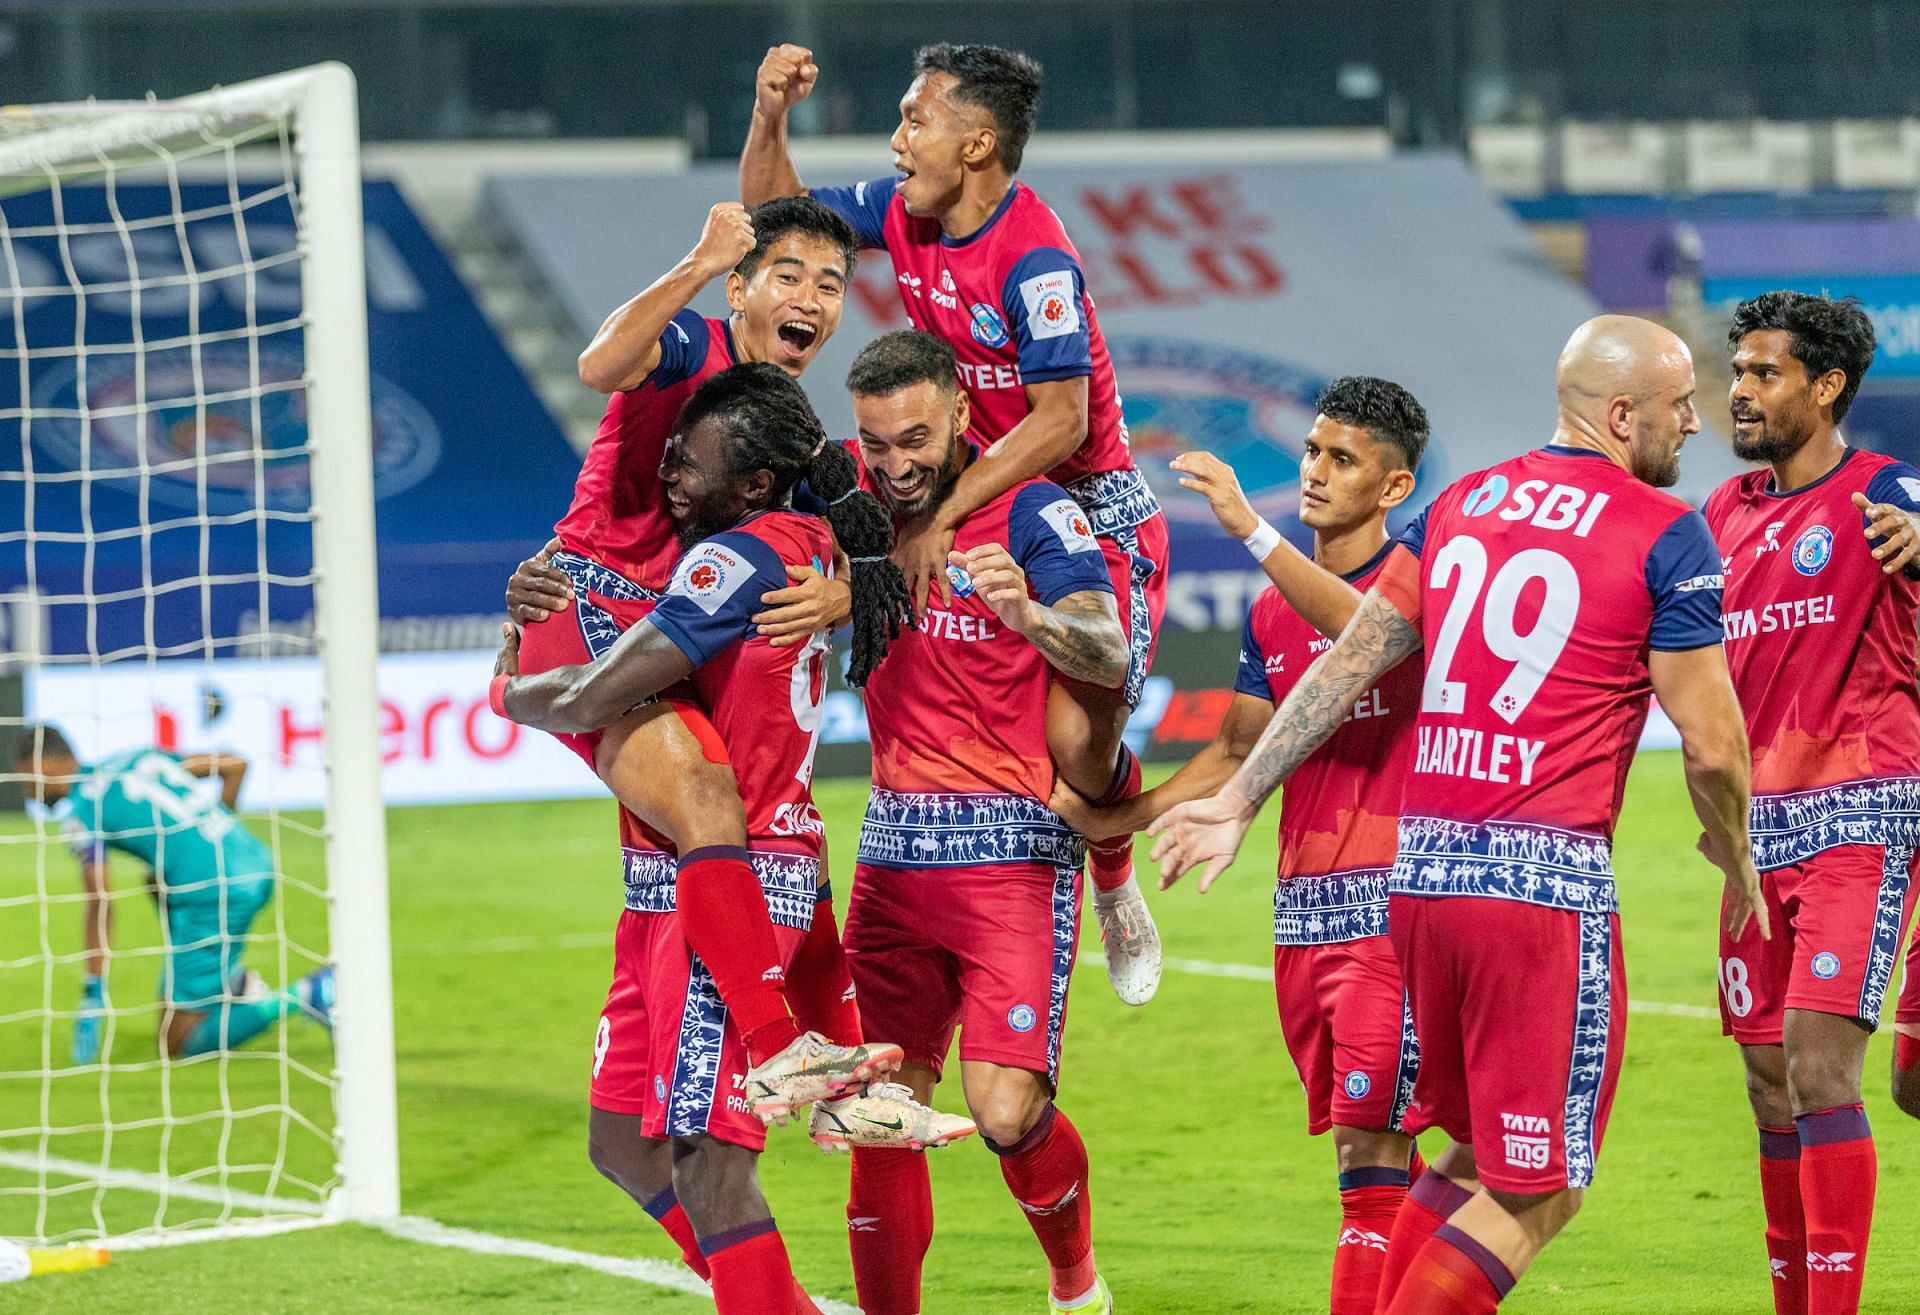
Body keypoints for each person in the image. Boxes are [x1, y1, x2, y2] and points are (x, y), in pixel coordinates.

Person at [1149, 316, 1765, 1314]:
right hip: (1540, 888)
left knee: (1477, 1150)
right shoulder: (1664, 528)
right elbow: (1713, 746)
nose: (1695, 423)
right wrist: (1737, 857)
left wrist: (1238, 792)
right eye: (1677, 405)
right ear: (1619, 413)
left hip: (1421, 883)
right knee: (1541, 1184)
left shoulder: (1462, 503)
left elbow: (1357, 656)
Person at [493, 364, 967, 1313]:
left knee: (710, 1165)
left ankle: (784, 1058)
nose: (669, 470)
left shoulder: (736, 558)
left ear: (753, 481)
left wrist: (510, 691)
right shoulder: (816, 541)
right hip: (710, 876)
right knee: (621, 1139)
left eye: (690, 458)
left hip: (731, 883)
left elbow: (596, 693)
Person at [742, 40, 1168, 1005]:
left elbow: (1064, 421)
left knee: (1075, 740)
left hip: (1088, 516)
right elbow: (781, 221)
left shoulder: (1035, 259)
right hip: (972, 497)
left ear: (976, 143)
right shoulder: (907, 213)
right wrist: (769, 116)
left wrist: (947, 520)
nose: (896, 141)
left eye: (913, 119)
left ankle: (1112, 872)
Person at [1052, 377, 1430, 1315]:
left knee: (1368, 1151)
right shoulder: (1269, 616)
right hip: (1305, 914)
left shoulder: (1421, 572)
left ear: (1394, 487)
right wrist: (1121, 821)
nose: (1314, 472)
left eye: (1343, 460)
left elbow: (1370, 636)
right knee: (1382, 1152)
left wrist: (1250, 530)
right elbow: (1234, 749)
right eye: (1311, 450)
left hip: (1397, 906)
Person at [517, 196, 886, 1109]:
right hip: (596, 607)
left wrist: (846, 594)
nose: (812, 296)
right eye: (789, 274)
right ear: (740, 288)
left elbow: (876, 543)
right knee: (717, 801)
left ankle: (833, 1075)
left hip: (671, 632)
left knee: (730, 824)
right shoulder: (695, 345)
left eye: (832, 284)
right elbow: (600, 362)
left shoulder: (787, 422)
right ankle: (780, 1049)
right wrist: (695, 257)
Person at [828, 330, 1126, 1315]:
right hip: (892, 850)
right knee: (881, 1112)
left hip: (1011, 854)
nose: (898, 463)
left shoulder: (1035, 511)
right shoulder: (854, 509)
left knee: (1006, 1112)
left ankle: (1076, 1282)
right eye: (878, 443)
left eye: (916, 436)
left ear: (961, 412)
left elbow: (1109, 648)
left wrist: (1030, 616)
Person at [1706, 291, 1920, 1315]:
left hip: (1863, 811)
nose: (1739, 392)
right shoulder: (1723, 514)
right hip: (1755, 836)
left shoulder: (1894, 495)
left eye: (1764, 374)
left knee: (1820, 1066)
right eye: (1737, 372)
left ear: (1826, 386)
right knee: (1766, 1081)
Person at [13, 727, 332, 1062]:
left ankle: (310, 993)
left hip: (215, 891)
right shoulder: (135, 758)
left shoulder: (81, 816)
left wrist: (93, 991)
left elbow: (101, 903)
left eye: (23, 778)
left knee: (178, 1042)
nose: (25, 792)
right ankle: (235, 986)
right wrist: (210, 843)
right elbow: (234, 766)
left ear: (43, 763)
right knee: (157, 887)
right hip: (253, 859)